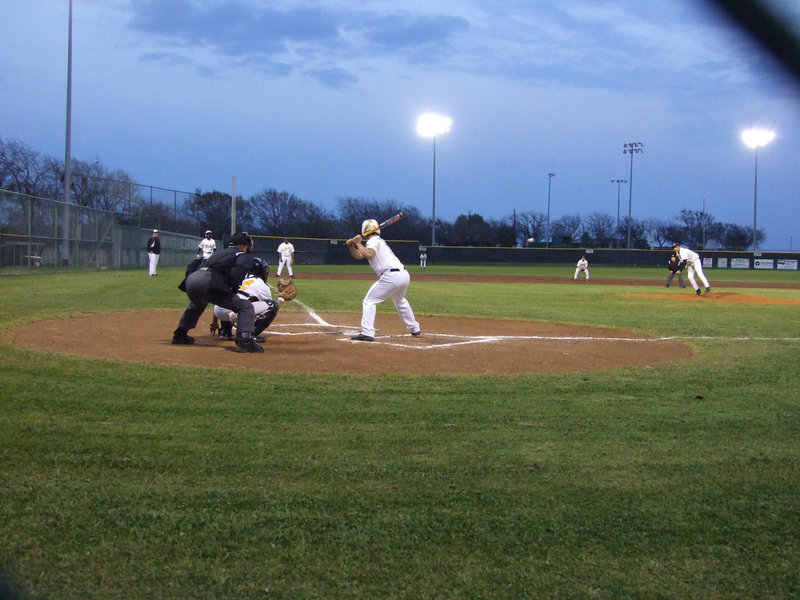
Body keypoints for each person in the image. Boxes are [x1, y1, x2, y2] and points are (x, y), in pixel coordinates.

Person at [172, 232, 263, 352]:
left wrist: (191, 281)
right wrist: (233, 289)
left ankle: (180, 334)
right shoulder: (241, 254)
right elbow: (240, 269)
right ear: (243, 246)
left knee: (200, 302)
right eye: (248, 247)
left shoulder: (219, 253)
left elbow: (193, 264)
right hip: (207, 280)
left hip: (191, 280)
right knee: (245, 306)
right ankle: (245, 341)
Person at [345, 219, 421, 341]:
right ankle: (415, 328)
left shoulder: (373, 241)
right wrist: (351, 246)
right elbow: (360, 255)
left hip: (391, 276)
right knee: (400, 300)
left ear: (365, 230)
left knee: (369, 301)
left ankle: (368, 332)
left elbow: (369, 254)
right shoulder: (377, 241)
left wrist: (358, 243)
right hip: (403, 275)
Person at [210, 257, 283, 342]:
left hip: (218, 310)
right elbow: (272, 308)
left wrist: (214, 321)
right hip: (235, 312)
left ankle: (225, 331)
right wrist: (281, 298)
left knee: (234, 298)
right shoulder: (262, 285)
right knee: (271, 305)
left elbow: (219, 297)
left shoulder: (239, 278)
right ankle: (249, 334)